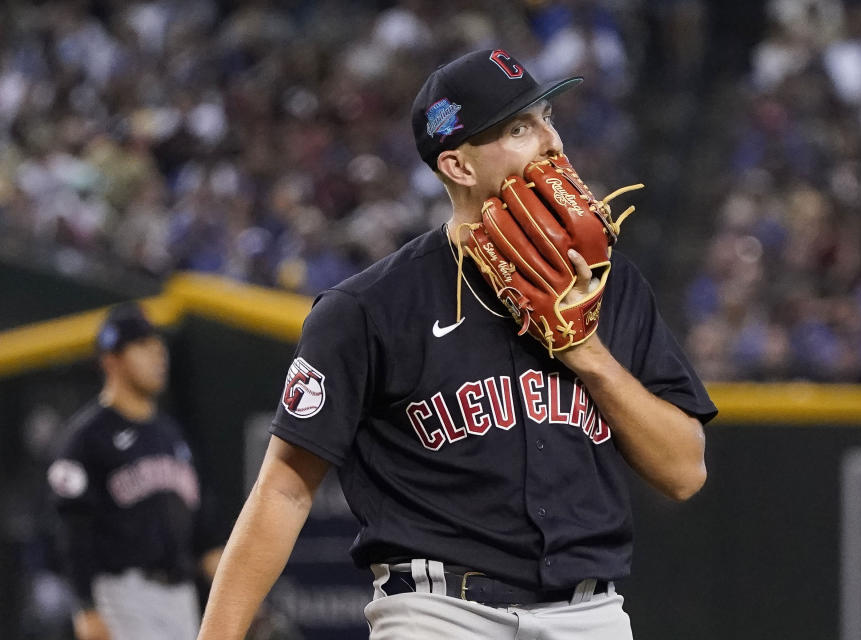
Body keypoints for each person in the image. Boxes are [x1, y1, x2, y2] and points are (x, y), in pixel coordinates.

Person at [198, 48, 717, 640]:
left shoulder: (612, 284)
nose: (553, 143)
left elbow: (684, 471)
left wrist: (586, 353)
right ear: (459, 167)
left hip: (588, 613)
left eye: (548, 116)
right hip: (439, 614)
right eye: (521, 128)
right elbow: (285, 489)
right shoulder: (369, 310)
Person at [46, 302, 222, 640]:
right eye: (142, 345)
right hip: (122, 596)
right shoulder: (84, 439)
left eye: (157, 343)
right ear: (110, 360)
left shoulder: (171, 434)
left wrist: (246, 595)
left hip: (182, 598)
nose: (158, 354)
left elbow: (204, 533)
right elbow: (71, 531)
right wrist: (85, 607)